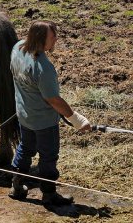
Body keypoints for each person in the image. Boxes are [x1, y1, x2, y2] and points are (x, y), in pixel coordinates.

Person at [8, 20, 91, 205]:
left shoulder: (17, 48)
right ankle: (49, 194)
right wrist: (77, 120)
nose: (56, 40)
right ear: (41, 39)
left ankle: (16, 185)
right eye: (53, 37)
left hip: (24, 114)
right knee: (48, 156)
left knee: (25, 148)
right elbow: (53, 99)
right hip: (43, 121)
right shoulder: (43, 67)